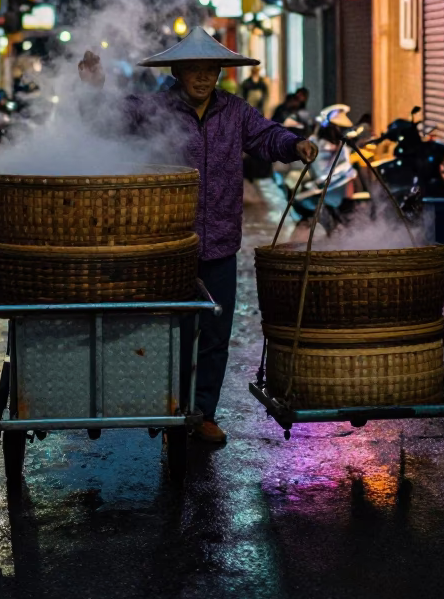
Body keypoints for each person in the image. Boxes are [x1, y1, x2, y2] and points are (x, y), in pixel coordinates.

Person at [78, 26, 317, 446]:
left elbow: (267, 135)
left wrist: (294, 145)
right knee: (168, 329)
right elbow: (109, 120)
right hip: (167, 242)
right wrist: (94, 90)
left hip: (221, 241)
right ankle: (167, 405)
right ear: (177, 72)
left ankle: (203, 412)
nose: (204, 78)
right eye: (195, 70)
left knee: (214, 333)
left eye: (211, 70)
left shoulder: (235, 111)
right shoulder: (155, 109)